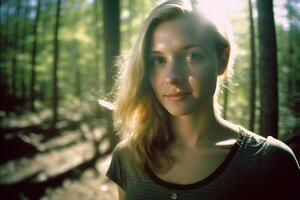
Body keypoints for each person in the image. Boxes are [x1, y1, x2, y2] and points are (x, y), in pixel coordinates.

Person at [106, 0, 300, 199]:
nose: (172, 77)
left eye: (192, 56)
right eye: (159, 60)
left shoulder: (269, 161)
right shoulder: (129, 156)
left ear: (222, 61)